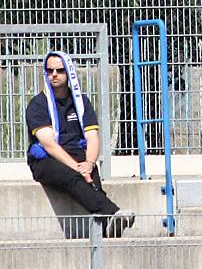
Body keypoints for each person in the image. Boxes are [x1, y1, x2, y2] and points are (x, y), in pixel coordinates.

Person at [25, 50, 135, 238]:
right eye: (49, 70)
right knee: (71, 175)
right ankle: (111, 214)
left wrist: (89, 163)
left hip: (76, 154)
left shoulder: (81, 102)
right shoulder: (38, 104)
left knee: (92, 174)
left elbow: (92, 138)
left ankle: (106, 226)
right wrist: (78, 168)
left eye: (59, 70)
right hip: (45, 159)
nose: (54, 74)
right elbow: (49, 144)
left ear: (68, 72)